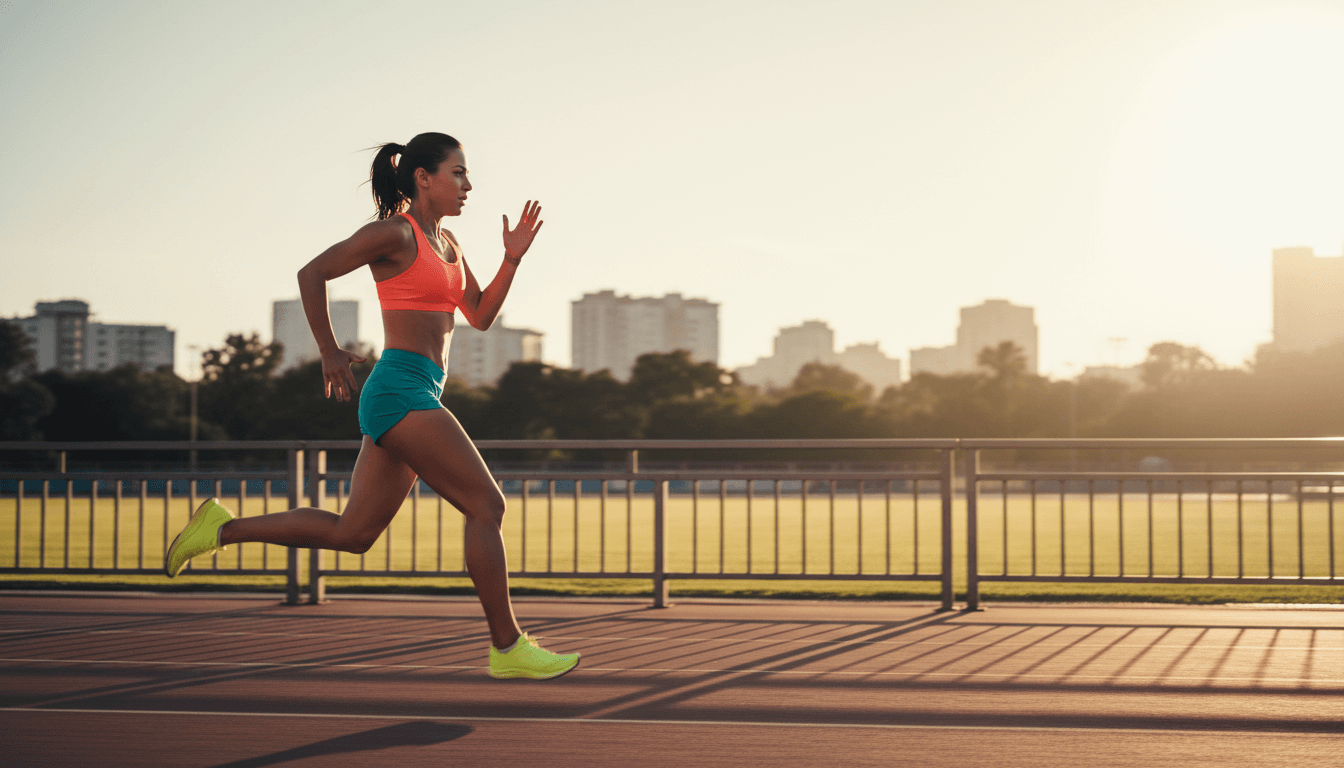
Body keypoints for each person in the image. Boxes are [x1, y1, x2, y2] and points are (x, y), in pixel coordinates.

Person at [164, 132, 579, 680]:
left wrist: (511, 260)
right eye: (458, 173)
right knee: (487, 506)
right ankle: (507, 647)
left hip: (422, 391)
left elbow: (478, 314)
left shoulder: (450, 243)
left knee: (353, 535)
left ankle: (220, 529)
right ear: (422, 177)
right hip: (398, 388)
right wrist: (329, 350)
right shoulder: (393, 234)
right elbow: (311, 273)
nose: (468, 184)